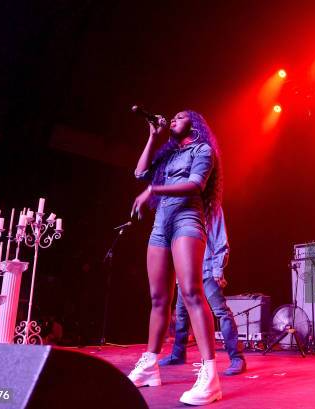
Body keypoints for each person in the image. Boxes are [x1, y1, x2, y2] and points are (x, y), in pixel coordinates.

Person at [127, 110, 223, 406]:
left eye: (179, 117)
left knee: (192, 292)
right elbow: (139, 173)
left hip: (187, 221)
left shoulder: (202, 149)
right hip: (161, 225)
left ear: (193, 125)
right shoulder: (168, 154)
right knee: (158, 299)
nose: (173, 120)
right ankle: (150, 364)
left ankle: (210, 375)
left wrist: (154, 190)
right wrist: (153, 137)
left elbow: (195, 184)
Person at [158, 206, 247, 375]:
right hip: (186, 272)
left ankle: (237, 358)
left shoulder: (211, 207)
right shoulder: (183, 207)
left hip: (206, 270)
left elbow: (220, 239)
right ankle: (178, 354)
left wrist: (218, 269)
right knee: (181, 314)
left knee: (221, 312)